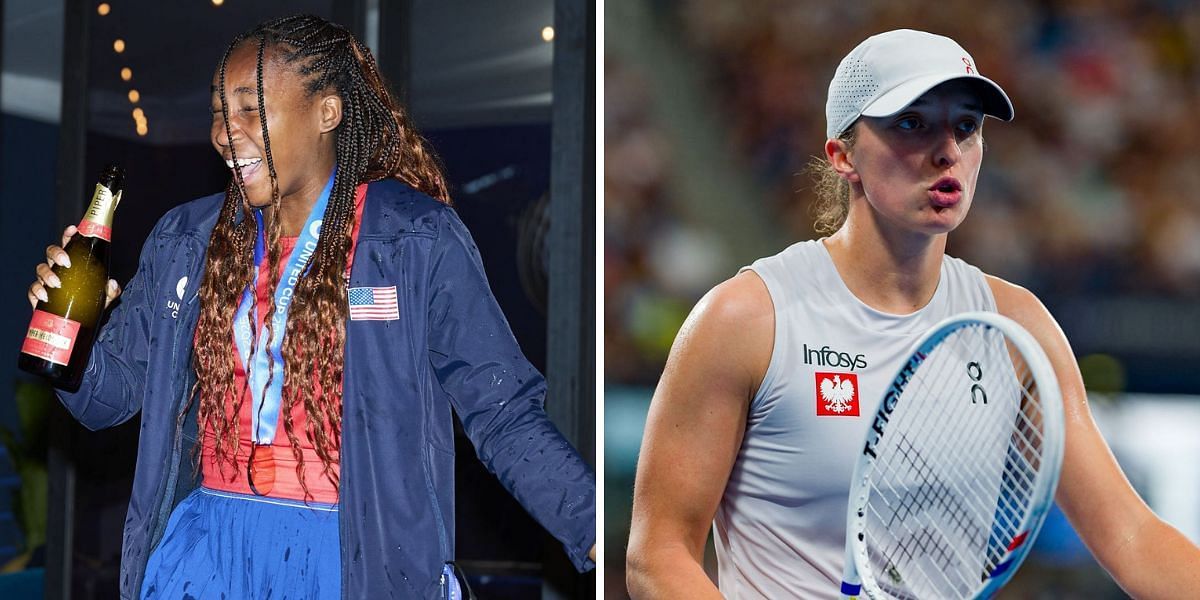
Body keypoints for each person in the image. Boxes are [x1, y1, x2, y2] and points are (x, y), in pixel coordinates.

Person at [27, 15, 595, 599]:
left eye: (249, 108)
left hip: (349, 559)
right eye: (218, 112)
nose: (226, 132)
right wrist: (76, 337)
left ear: (328, 111)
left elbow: (502, 413)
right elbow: (106, 401)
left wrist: (597, 530)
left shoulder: (412, 241)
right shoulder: (185, 242)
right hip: (206, 558)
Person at [625, 29, 1200, 598]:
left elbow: (1133, 536)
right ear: (842, 154)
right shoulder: (746, 318)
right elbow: (658, 556)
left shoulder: (1017, 328)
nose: (947, 149)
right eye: (912, 123)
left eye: (966, 127)